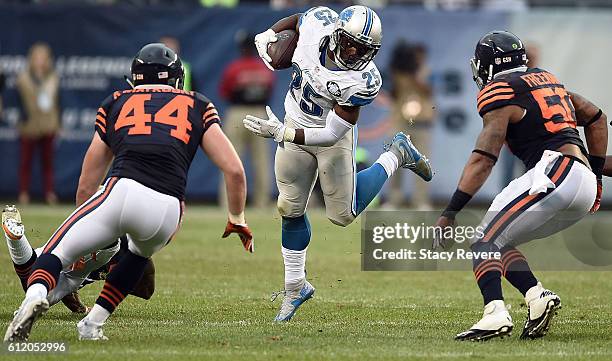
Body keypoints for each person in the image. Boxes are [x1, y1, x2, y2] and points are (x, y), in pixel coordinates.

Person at [4, 43, 253, 342]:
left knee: (59, 253)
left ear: (136, 77)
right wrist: (237, 217)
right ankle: (92, 324)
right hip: (167, 209)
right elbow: (235, 170)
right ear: (176, 79)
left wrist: (86, 221)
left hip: (120, 190)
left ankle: (33, 297)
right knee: (137, 257)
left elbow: (88, 178)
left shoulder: (117, 101)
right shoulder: (198, 104)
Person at [245, 5, 432, 322]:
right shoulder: (319, 24)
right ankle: (295, 287)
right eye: (350, 43)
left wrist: (284, 133)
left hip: (329, 138)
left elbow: (332, 133)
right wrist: (270, 33)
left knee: (342, 215)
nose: (354, 52)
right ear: (337, 33)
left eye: (363, 49)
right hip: (294, 118)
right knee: (288, 208)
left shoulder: (362, 80)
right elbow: (298, 19)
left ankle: (397, 153)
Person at [433, 31, 607, 341]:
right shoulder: (547, 79)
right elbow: (595, 117)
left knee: (483, 240)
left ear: (486, 65)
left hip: (555, 174)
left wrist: (451, 210)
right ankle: (537, 296)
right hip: (578, 182)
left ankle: (494, 313)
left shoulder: (499, 92)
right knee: (500, 242)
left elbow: (484, 158)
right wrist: (594, 175)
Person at [2, 205, 156, 314]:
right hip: (96, 250)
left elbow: (146, 290)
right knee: (41, 285)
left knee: (38, 287)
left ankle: (17, 238)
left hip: (84, 252)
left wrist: (80, 308)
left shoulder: (128, 258)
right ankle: (16, 240)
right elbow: (146, 289)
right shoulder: (127, 255)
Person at [218, 31, 275, 208]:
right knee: (261, 161)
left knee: (231, 160)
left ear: (241, 47)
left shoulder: (234, 68)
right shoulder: (264, 68)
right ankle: (262, 202)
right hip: (259, 113)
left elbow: (224, 92)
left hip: (237, 112)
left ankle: (228, 203)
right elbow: (270, 91)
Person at [388, 41, 435, 209]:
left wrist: (415, 75)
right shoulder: (400, 72)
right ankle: (394, 199)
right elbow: (393, 93)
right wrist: (401, 72)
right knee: (395, 161)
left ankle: (421, 200)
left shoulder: (426, 71)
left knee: (421, 164)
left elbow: (428, 91)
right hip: (402, 122)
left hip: (422, 124)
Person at [16, 42, 60, 205]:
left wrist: (58, 123)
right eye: (38, 58)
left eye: (44, 58)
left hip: (48, 124)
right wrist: (22, 119)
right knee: (25, 162)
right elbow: (18, 101)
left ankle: (49, 193)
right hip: (29, 125)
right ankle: (23, 193)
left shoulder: (53, 77)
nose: (40, 61)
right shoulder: (23, 78)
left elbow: (57, 102)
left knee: (48, 162)